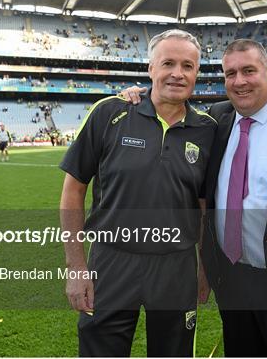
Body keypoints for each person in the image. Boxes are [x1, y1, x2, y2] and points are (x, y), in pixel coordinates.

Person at [122, 39, 267, 357]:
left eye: (249, 71)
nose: (239, 81)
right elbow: (172, 111)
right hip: (233, 284)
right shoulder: (216, 120)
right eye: (230, 73)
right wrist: (135, 98)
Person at [59, 29, 217, 357]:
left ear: (197, 73)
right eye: (168, 63)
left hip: (176, 266)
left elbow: (203, 205)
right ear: (150, 69)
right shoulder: (109, 113)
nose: (177, 73)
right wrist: (76, 266)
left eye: (188, 66)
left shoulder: (207, 129)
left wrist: (205, 266)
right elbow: (73, 190)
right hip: (112, 261)